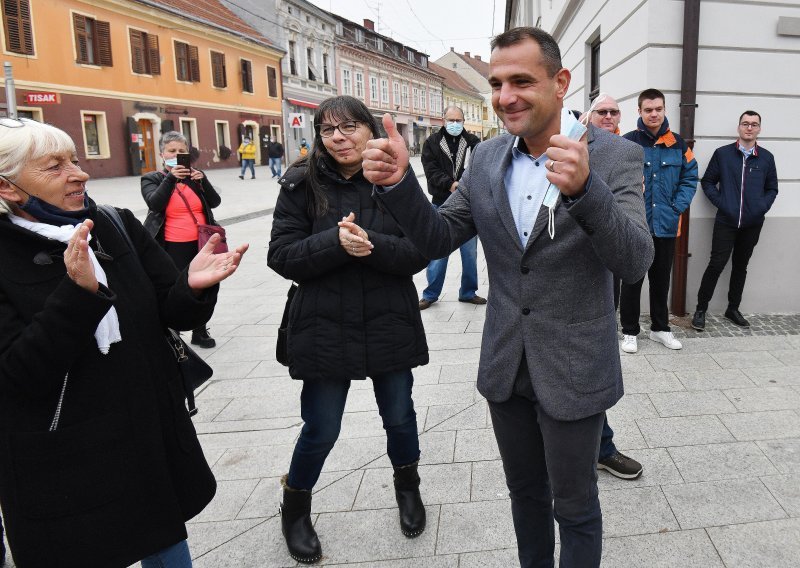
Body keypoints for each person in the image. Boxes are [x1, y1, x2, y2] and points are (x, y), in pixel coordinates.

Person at [361, 27, 653, 568]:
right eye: (496, 83)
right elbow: (438, 238)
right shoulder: (489, 156)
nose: (505, 96)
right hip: (505, 364)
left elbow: (635, 260)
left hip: (573, 366)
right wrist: (401, 183)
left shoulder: (614, 158)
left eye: (522, 80)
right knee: (526, 497)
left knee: (576, 505)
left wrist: (587, 192)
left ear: (560, 82)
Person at [0, 117, 248, 567]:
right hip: (65, 460)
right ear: (8, 189)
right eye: (54, 167)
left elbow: (168, 311)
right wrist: (78, 295)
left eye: (75, 159)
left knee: (168, 552)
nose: (79, 173)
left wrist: (191, 286)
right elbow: (18, 374)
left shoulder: (113, 224)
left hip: (144, 437)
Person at [268, 95, 429, 564]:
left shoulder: (395, 178)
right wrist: (335, 243)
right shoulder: (300, 183)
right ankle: (295, 506)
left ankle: (408, 489)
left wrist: (372, 244)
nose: (339, 137)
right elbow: (281, 255)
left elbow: (420, 250)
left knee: (399, 415)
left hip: (388, 320)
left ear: (369, 129)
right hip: (323, 323)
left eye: (349, 127)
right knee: (321, 427)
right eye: (327, 130)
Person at [581, 93, 644, 480]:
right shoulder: (574, 145)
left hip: (619, 253)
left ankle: (601, 447)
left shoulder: (624, 152)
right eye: (601, 111)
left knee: (593, 365)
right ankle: (597, 446)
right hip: (574, 274)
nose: (607, 116)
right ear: (589, 116)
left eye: (613, 112)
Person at [619, 88, 698, 353]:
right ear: (639, 112)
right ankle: (629, 331)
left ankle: (660, 329)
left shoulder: (679, 144)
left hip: (666, 224)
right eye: (648, 109)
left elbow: (690, 178)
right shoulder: (627, 143)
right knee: (632, 279)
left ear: (664, 110)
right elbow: (617, 179)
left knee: (661, 279)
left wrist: (676, 207)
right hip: (635, 225)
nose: (653, 114)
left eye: (658, 109)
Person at [691, 111, 778, 331]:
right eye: (745, 124)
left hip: (752, 223)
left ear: (759, 129)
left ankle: (733, 308)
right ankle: (701, 309)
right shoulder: (723, 154)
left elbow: (772, 189)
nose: (749, 128)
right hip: (726, 221)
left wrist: (760, 207)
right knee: (716, 264)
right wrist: (723, 203)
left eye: (754, 124)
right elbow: (708, 182)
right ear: (739, 127)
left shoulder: (766, 158)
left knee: (741, 266)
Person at [141, 131, 222, 348]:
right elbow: (154, 203)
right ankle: (173, 332)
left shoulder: (195, 177)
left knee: (204, 284)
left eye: (182, 151)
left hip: (200, 243)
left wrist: (203, 181)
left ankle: (200, 330)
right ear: (162, 154)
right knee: (175, 287)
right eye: (172, 151)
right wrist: (171, 177)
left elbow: (215, 202)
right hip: (171, 245)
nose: (177, 154)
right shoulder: (152, 178)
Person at [419, 105, 485, 309]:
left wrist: (464, 186)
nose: (454, 124)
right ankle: (430, 294)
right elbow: (430, 170)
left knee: (469, 252)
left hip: (467, 204)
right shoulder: (432, 142)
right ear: (443, 120)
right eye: (451, 120)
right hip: (440, 202)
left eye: (458, 121)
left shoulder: (473, 143)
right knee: (438, 252)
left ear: (463, 122)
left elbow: (479, 169)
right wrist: (450, 184)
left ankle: (468, 292)